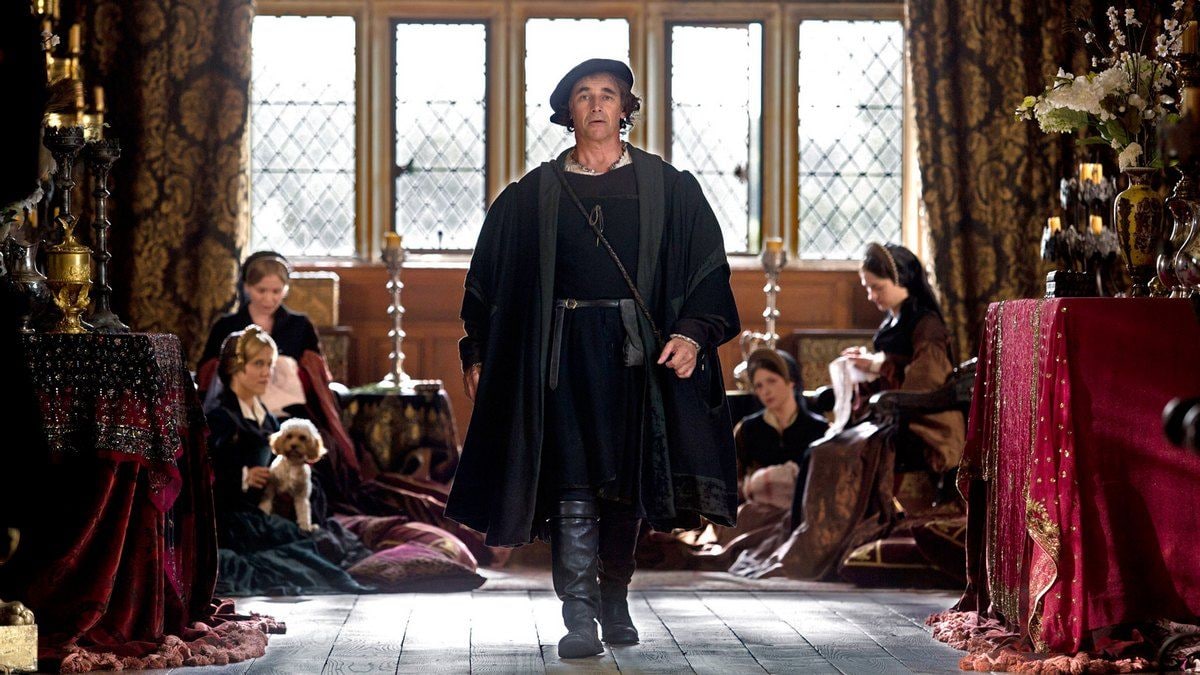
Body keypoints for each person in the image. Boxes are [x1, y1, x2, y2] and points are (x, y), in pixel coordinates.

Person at [445, 58, 741, 658]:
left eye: (609, 94)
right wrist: (477, 351)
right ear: (569, 111)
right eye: (584, 95)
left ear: (627, 108)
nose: (598, 104)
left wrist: (691, 335)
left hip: (637, 358)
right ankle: (578, 615)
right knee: (571, 483)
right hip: (559, 357)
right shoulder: (531, 196)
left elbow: (708, 272)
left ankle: (615, 599)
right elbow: (487, 281)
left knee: (625, 485)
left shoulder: (670, 189)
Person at [727, 242, 965, 583]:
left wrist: (878, 364)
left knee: (832, 453)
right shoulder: (894, 320)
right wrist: (866, 367)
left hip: (924, 424)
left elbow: (926, 381)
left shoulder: (927, 324)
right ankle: (806, 536)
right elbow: (892, 373)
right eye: (867, 288)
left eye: (876, 287)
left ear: (903, 280)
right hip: (890, 418)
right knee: (818, 450)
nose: (871, 296)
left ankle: (828, 542)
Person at [205, 325, 371, 596]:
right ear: (236, 367)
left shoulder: (267, 418)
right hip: (234, 517)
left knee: (323, 534)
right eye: (258, 364)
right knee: (299, 545)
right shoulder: (220, 418)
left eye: (269, 365)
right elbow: (203, 476)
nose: (266, 372)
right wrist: (243, 476)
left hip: (270, 509)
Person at [198, 251, 362, 512]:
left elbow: (318, 378)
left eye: (276, 291)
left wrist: (291, 371)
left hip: (290, 413)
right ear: (247, 287)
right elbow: (208, 375)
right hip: (241, 410)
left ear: (286, 289)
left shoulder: (300, 325)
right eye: (261, 291)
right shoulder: (227, 325)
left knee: (318, 452)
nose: (269, 299)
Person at [734, 348, 829, 502]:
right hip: (759, 509)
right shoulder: (747, 429)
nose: (766, 391)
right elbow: (735, 480)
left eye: (771, 381)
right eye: (759, 386)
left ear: (790, 381)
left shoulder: (819, 429)